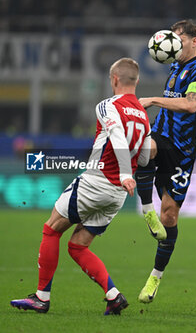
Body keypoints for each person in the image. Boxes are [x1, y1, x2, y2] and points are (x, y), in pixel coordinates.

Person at [10, 58, 161, 316]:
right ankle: (113, 296)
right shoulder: (144, 116)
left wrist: (125, 173)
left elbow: (115, 137)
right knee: (78, 245)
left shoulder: (108, 105)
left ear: (114, 79)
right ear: (137, 81)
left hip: (98, 182)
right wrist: (128, 173)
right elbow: (146, 157)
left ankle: (41, 298)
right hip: (116, 196)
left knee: (51, 230)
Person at [135, 20, 196, 303]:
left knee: (169, 215)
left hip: (183, 151)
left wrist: (154, 99)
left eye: (179, 39)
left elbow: (192, 104)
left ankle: (155, 277)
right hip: (162, 136)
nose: (175, 44)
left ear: (194, 41)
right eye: (173, 39)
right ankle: (146, 210)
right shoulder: (174, 66)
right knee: (145, 147)